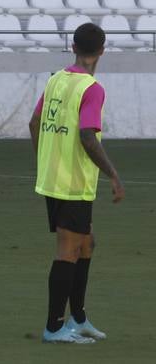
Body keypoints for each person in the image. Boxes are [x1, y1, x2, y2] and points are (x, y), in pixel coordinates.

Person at [29, 22, 123, 345]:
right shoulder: (92, 88)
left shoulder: (56, 79)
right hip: (70, 182)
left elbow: (34, 122)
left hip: (57, 179)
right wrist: (112, 173)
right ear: (102, 51)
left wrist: (43, 158)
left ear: (73, 47)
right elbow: (87, 136)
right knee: (68, 250)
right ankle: (54, 327)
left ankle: (78, 317)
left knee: (87, 243)